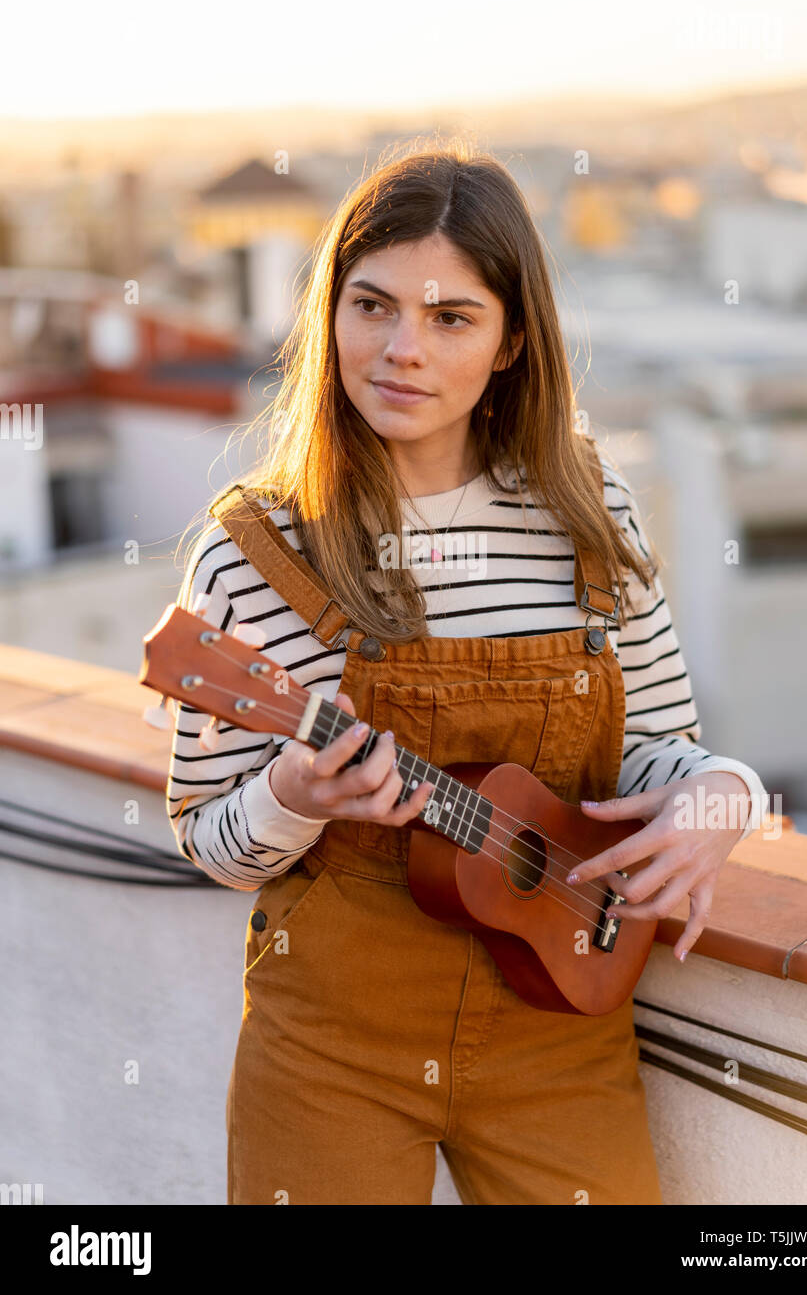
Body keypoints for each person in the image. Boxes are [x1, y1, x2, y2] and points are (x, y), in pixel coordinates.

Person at [167, 138, 768, 1206]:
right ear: (329, 314)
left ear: (509, 343)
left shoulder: (590, 511)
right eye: (372, 304)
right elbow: (207, 835)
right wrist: (293, 793)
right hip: (330, 1046)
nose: (401, 348)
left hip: (561, 1026)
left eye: (450, 318)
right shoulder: (253, 550)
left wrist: (727, 792)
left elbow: (656, 748)